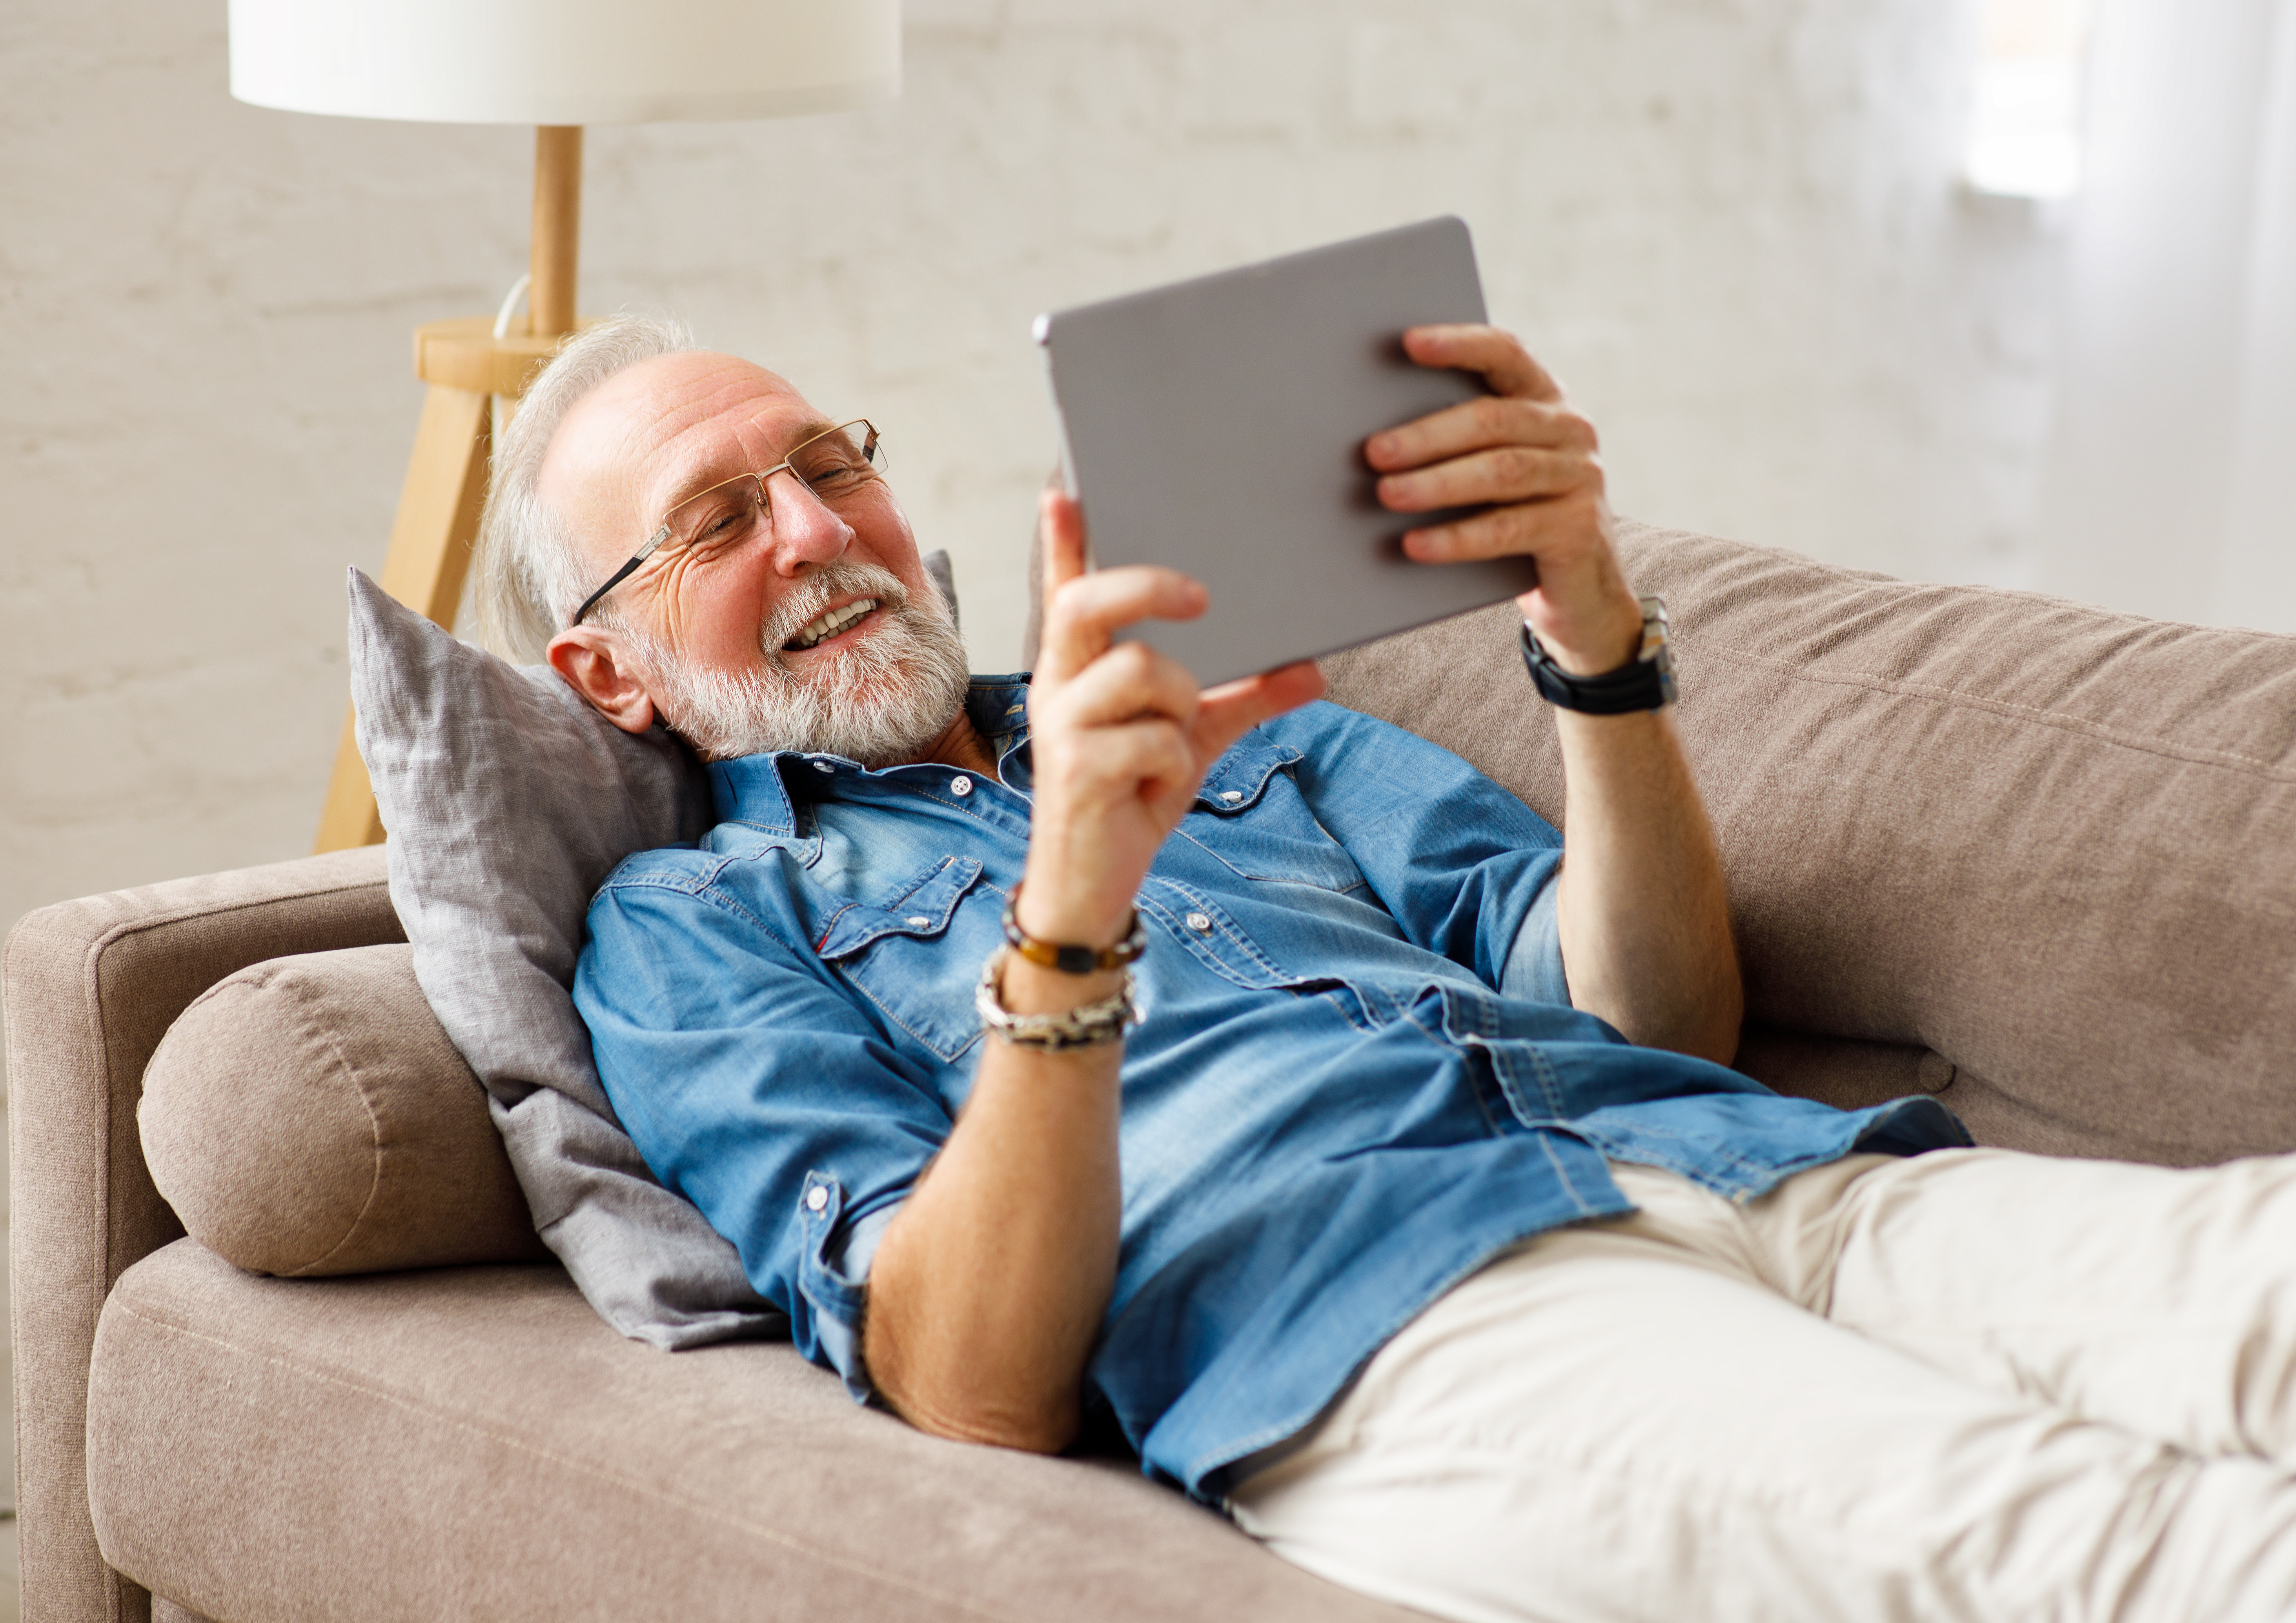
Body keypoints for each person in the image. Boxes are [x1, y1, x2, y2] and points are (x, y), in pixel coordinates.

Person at [475, 313, 2296, 1623]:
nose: (817, 531)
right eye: (717, 521)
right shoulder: (694, 926)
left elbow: (1657, 1016)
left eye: (829, 464)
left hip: (1775, 1178)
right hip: (1391, 1321)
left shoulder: (1259, 732)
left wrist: (1590, 624)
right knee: (2149, 1555)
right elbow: (969, 1380)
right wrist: (1073, 905)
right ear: (609, 675)